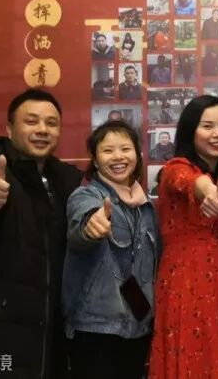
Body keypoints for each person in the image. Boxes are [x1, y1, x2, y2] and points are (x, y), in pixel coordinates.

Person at [0, 89, 84, 378]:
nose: (42, 129)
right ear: (10, 129)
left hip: (48, 336)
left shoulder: (65, 181)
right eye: (31, 121)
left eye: (51, 123)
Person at [149, 95, 218, 378]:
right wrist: (210, 192)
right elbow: (190, 181)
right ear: (191, 130)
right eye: (207, 126)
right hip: (186, 279)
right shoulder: (175, 167)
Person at [62, 120, 159, 379]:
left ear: (136, 155)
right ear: (95, 160)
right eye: (108, 150)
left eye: (125, 149)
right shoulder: (86, 196)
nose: (118, 157)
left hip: (138, 326)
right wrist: (91, 227)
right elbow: (81, 226)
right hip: (96, 327)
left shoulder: (146, 206)